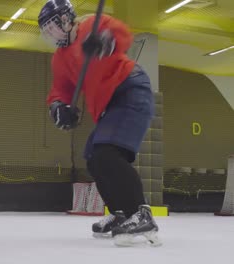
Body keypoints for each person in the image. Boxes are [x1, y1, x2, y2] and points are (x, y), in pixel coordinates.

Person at [38, 0, 160, 246]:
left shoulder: (89, 27)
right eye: (46, 31)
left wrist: (105, 41)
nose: (51, 34)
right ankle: (120, 214)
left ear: (65, 19)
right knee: (94, 158)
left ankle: (142, 214)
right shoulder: (60, 58)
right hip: (108, 104)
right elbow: (59, 90)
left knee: (107, 154)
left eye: (52, 26)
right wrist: (59, 107)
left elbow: (123, 35)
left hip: (129, 88)